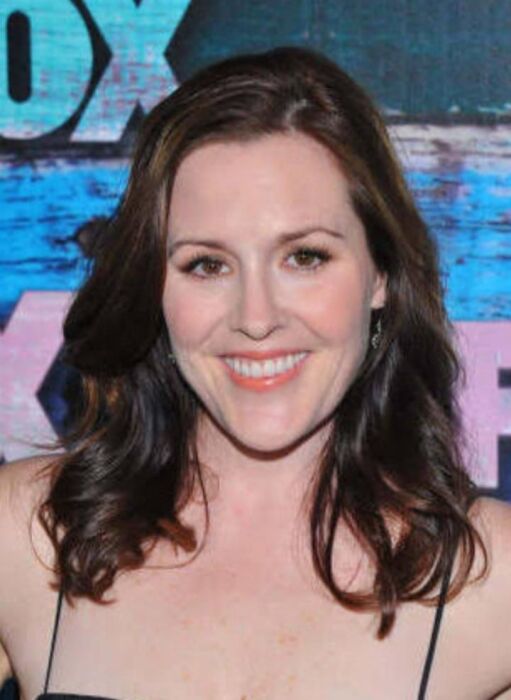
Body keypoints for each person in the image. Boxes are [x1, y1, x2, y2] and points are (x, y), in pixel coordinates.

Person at [0, 46, 510, 700]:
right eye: (207, 265)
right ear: (154, 288)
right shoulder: (28, 537)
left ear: (380, 274)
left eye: (304, 257)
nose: (257, 318)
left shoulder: (488, 583)